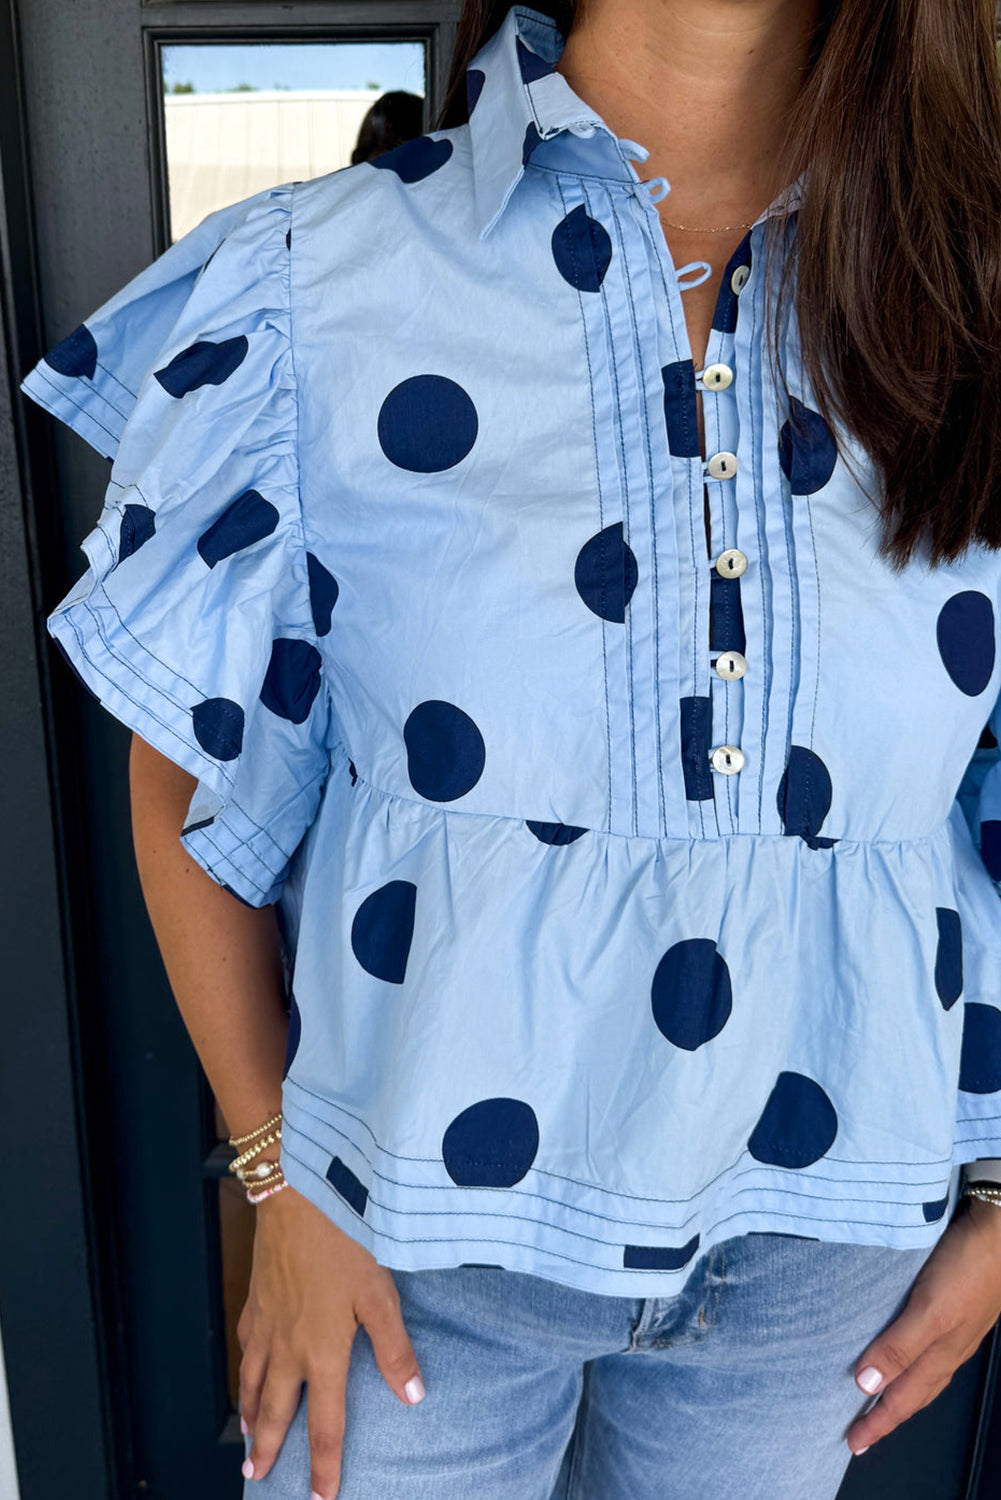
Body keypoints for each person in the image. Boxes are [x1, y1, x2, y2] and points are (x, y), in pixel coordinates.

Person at [18, 0, 1001, 1495]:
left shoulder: (979, 291)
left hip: (821, 1262)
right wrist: (276, 1180)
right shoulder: (313, 279)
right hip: (402, 1243)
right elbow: (194, 782)